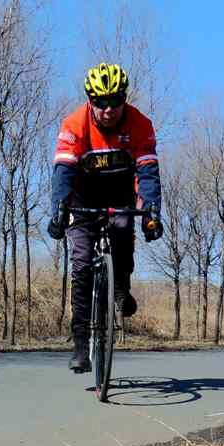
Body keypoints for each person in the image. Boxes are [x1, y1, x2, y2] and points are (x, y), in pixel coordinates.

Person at [47, 62, 163, 373]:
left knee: (123, 227)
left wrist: (151, 213)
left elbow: (148, 173)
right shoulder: (74, 124)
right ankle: (80, 345)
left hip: (119, 195)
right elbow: (63, 173)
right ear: (90, 101)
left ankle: (120, 285)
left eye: (115, 100)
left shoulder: (141, 124)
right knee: (81, 265)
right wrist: (59, 210)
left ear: (125, 98)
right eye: (101, 102)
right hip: (83, 198)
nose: (108, 109)